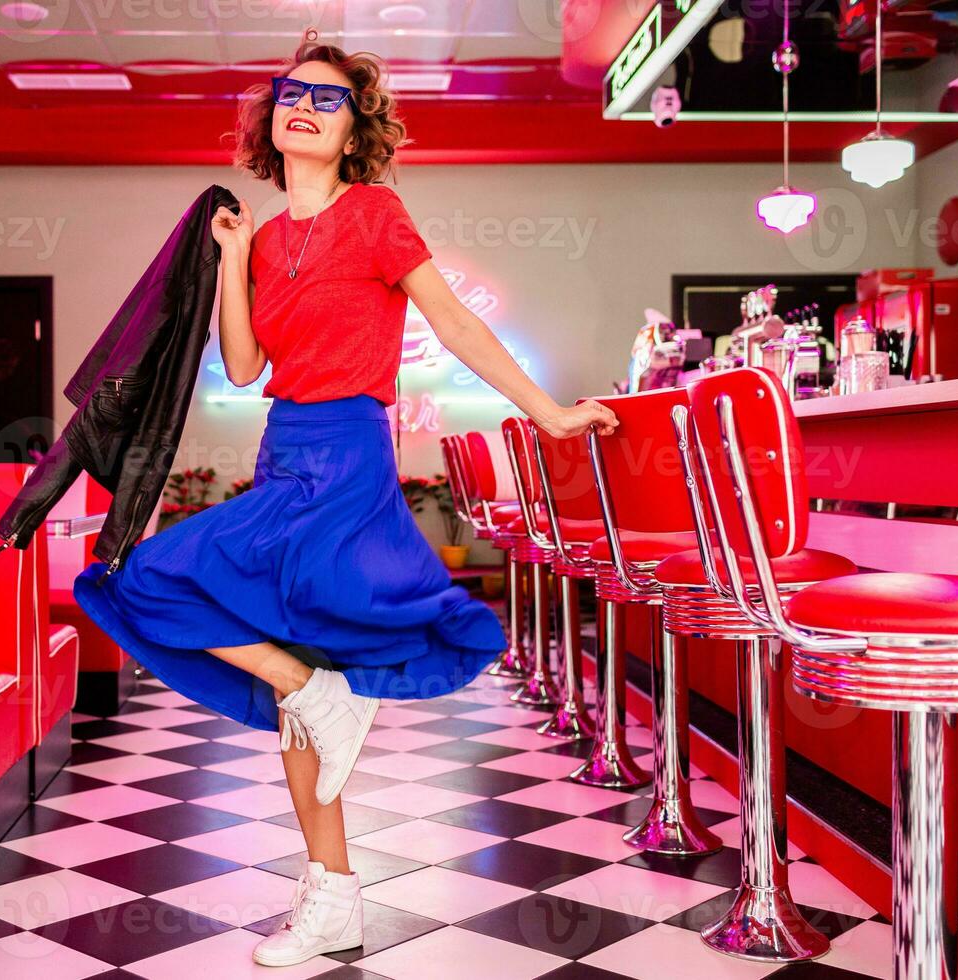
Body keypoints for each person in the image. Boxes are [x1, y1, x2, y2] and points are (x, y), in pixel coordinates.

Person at [72, 41, 618, 969]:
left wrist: (550, 412)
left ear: (354, 127)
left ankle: (317, 727)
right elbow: (245, 368)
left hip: (348, 455)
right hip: (282, 449)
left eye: (330, 99)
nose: (307, 107)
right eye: (294, 94)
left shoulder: (375, 214)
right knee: (199, 614)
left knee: (166, 581)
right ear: (273, 119)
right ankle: (333, 894)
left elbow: (452, 319)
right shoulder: (267, 238)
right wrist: (237, 259)